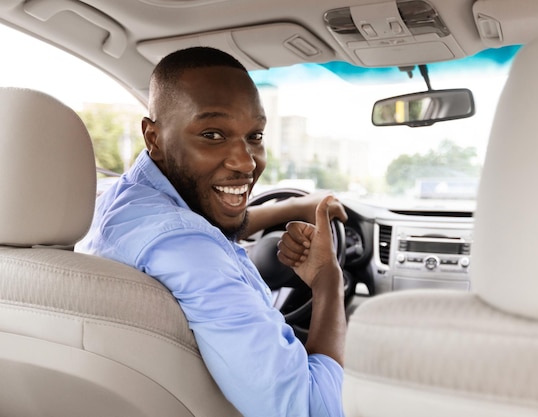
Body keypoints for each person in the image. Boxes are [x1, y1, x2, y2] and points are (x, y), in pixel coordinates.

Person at [76, 46, 348, 417]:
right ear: (153, 138)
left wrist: (296, 207)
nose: (246, 162)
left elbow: (206, 221)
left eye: (255, 136)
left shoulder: (127, 202)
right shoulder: (189, 251)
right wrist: (327, 282)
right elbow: (310, 409)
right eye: (212, 134)